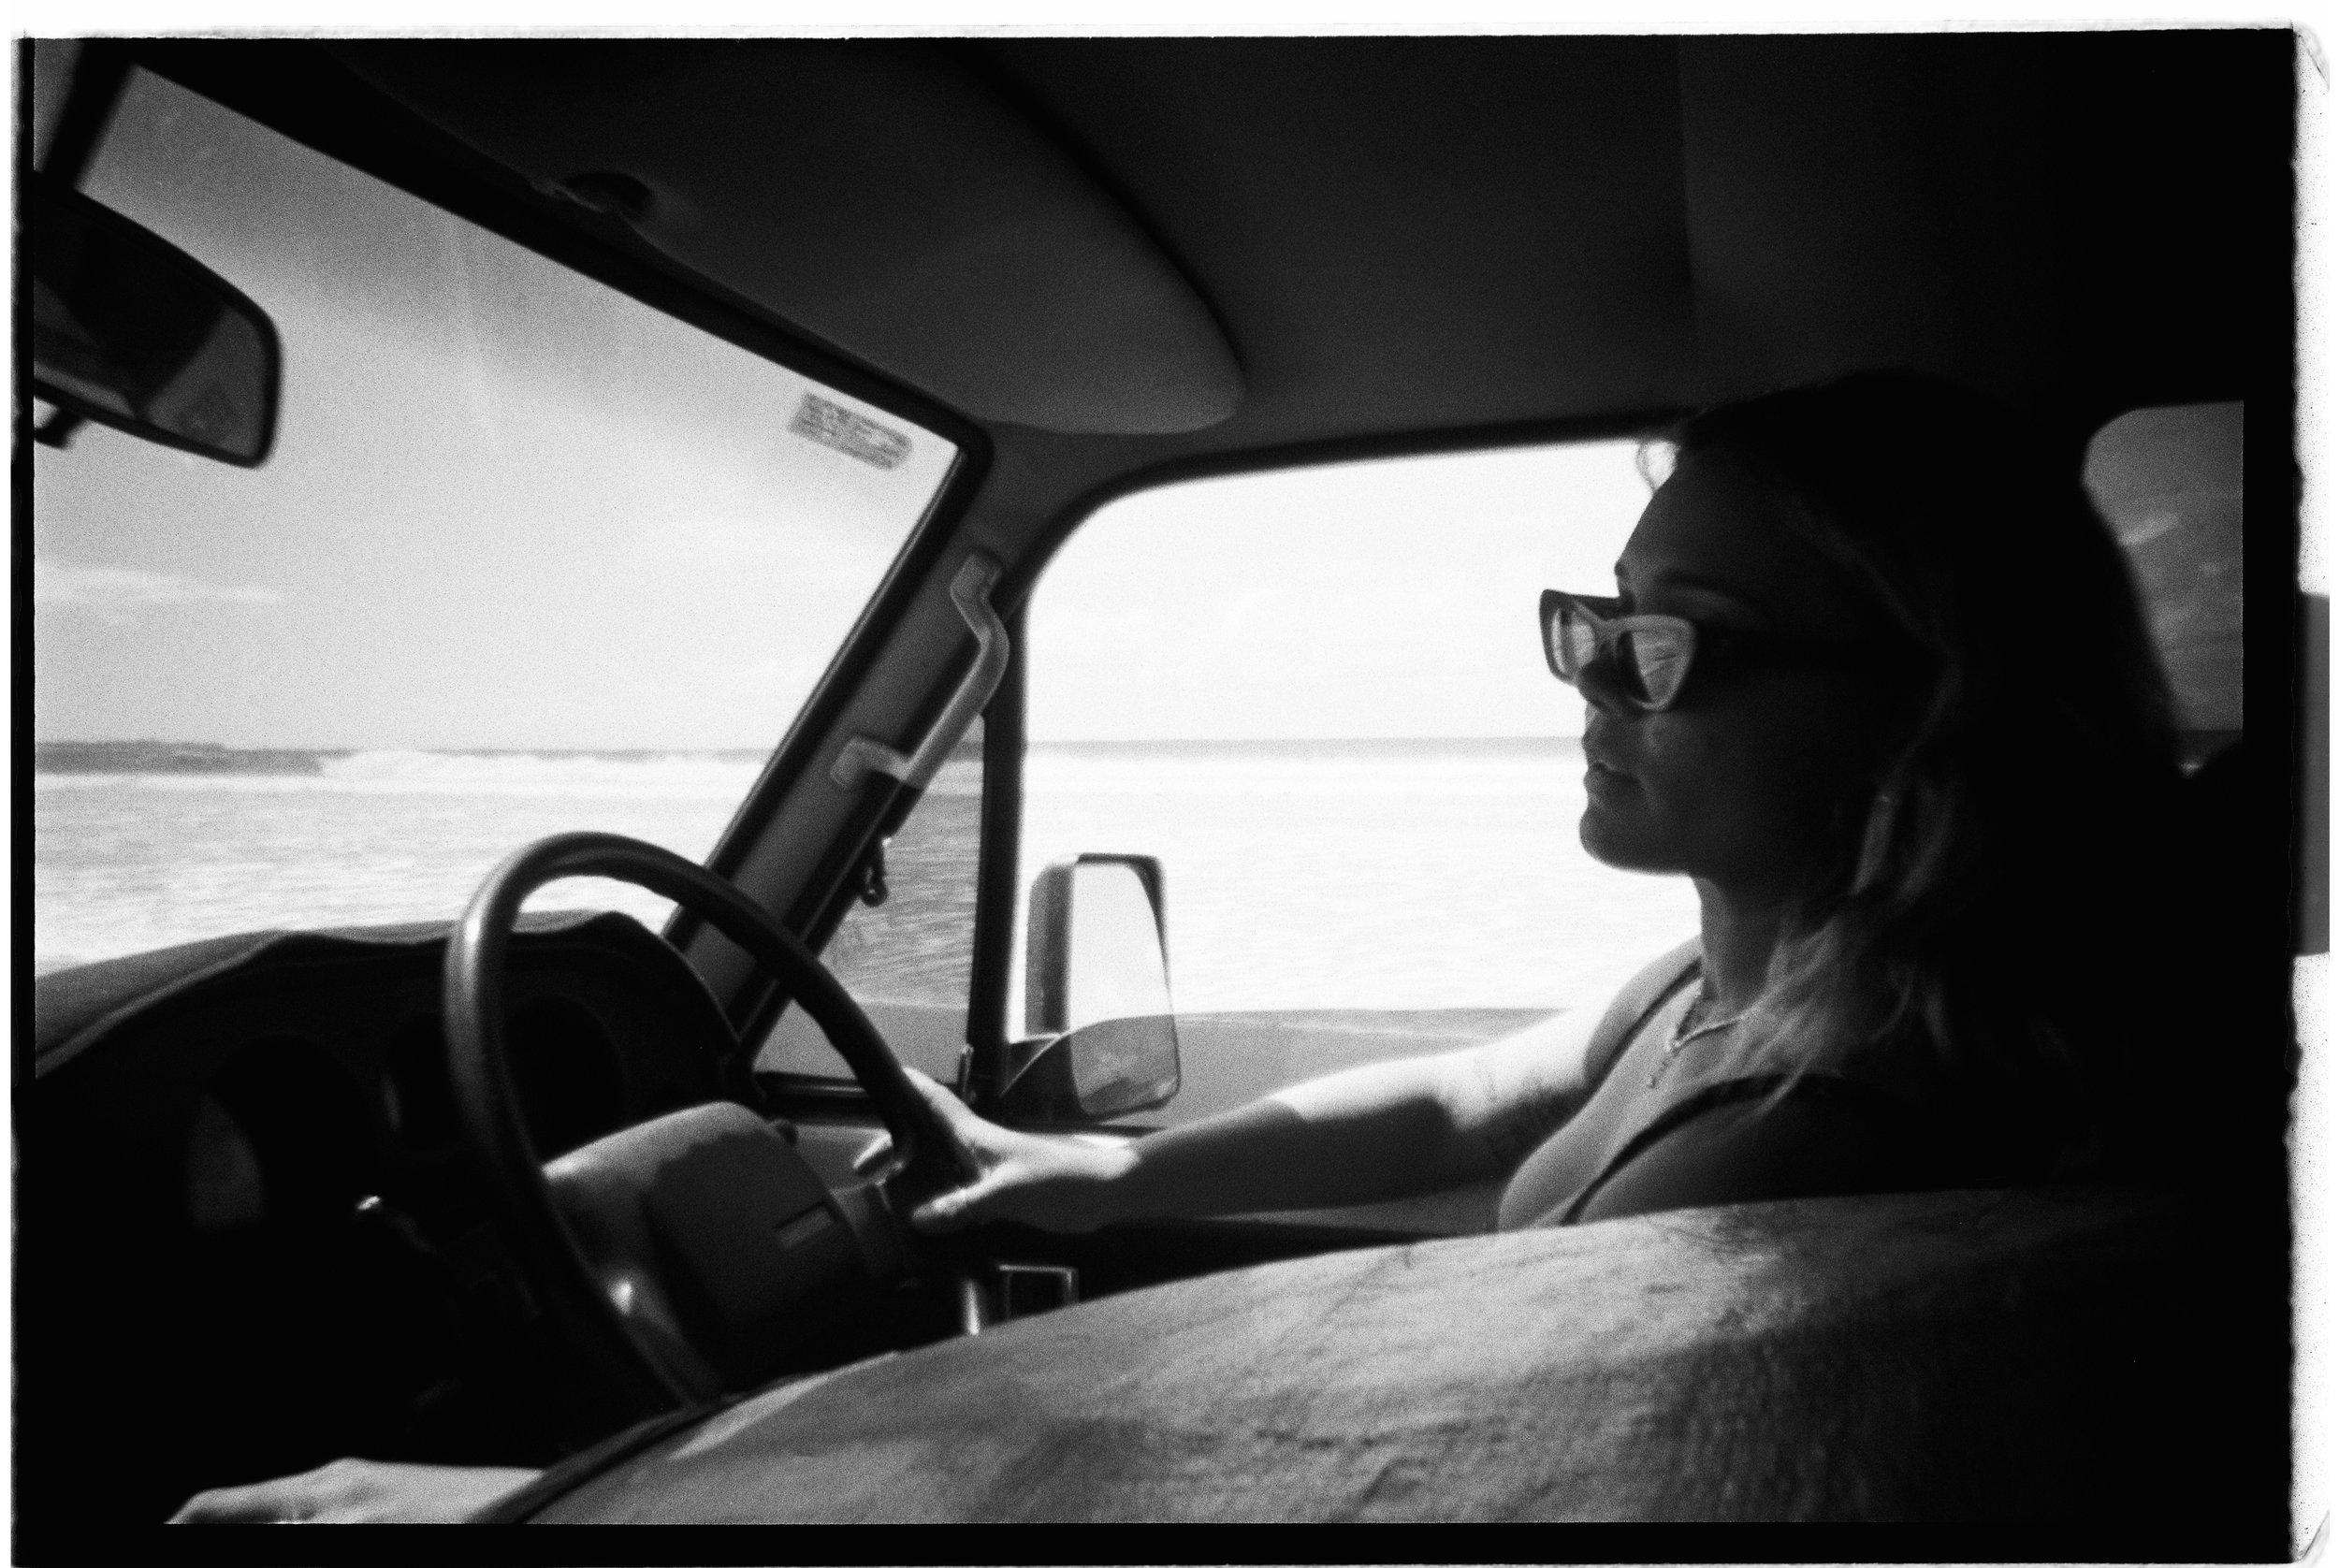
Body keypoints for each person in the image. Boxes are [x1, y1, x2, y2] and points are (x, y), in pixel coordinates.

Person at [173, 369, 2188, 1524]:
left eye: (1673, 647)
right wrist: (1117, 1169)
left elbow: (1342, 1468)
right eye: (1593, 617)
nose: (1590, 679)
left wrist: (522, 1514)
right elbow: (1481, 1087)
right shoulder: (1740, 983)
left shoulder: (1804, 1141)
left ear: (1922, 714)